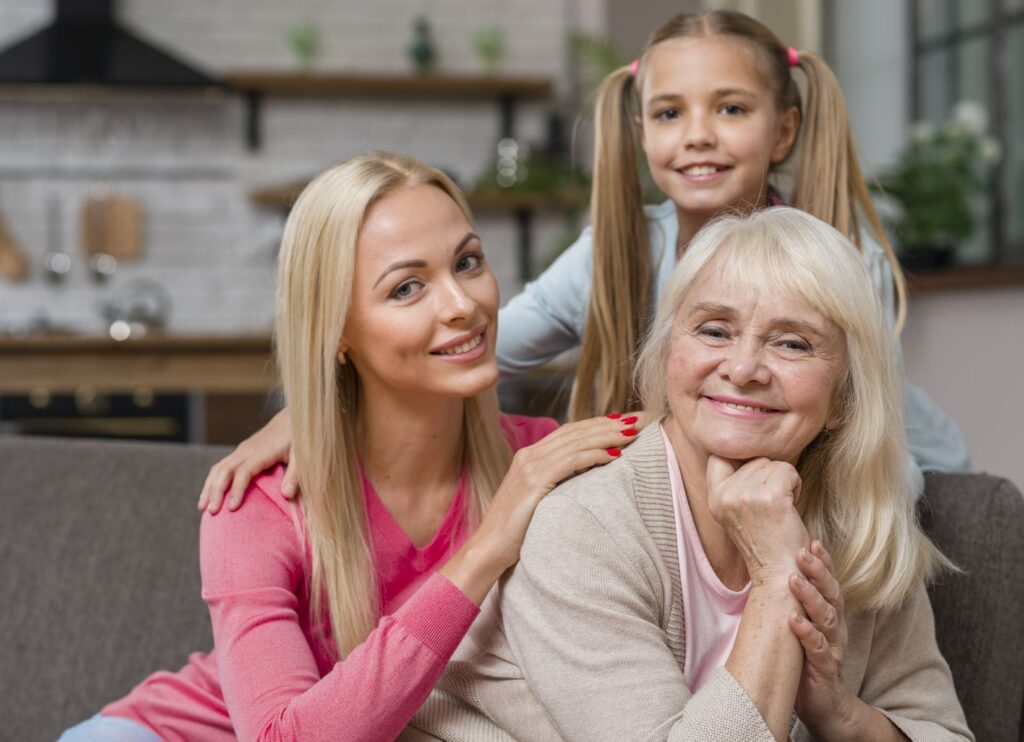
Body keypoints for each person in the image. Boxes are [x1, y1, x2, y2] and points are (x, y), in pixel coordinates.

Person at [197, 9, 967, 515]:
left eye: (730, 108)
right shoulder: (618, 248)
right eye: (670, 114)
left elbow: (880, 455)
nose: (697, 134)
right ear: (640, 131)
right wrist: (312, 413)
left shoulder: (842, 260)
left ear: (785, 130)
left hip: (901, 473)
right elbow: (472, 347)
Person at [59, 152, 638, 741]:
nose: (463, 304)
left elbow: (692, 438)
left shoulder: (544, 464)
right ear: (336, 330)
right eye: (407, 287)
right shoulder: (257, 503)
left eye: (467, 262)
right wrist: (487, 546)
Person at [408, 207, 972, 742]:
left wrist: (840, 714)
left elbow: (941, 729)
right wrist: (778, 581)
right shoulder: (584, 523)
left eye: (793, 343)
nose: (744, 368)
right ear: (666, 354)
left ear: (846, 395)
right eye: (714, 331)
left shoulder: (860, 525)